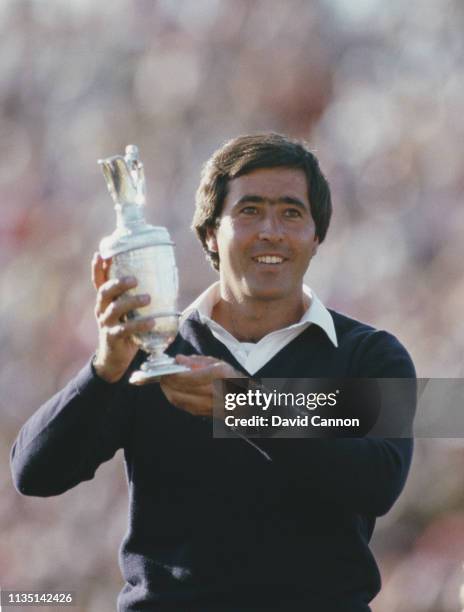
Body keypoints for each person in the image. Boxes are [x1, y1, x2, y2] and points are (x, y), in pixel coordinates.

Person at [11, 133, 416, 611]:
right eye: (249, 211)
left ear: (316, 237)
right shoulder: (153, 351)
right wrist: (105, 367)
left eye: (291, 212)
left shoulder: (367, 356)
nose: (271, 230)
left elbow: (378, 481)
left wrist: (240, 403)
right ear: (209, 233)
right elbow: (34, 472)